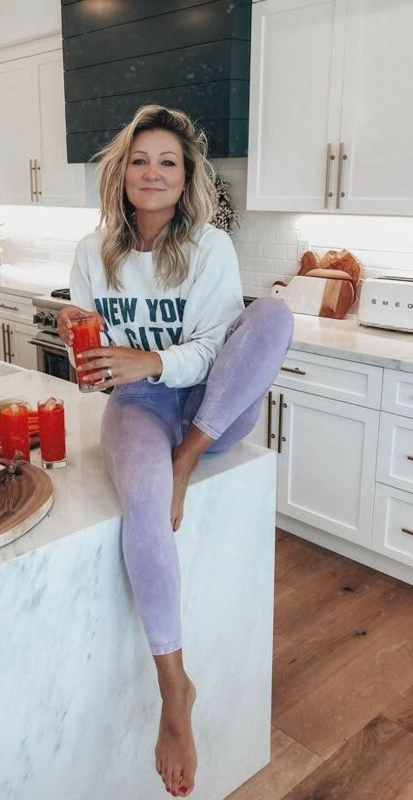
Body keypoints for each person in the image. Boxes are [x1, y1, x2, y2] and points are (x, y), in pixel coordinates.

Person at [57, 105, 293, 798]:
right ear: (121, 173)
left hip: (211, 407)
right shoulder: (91, 251)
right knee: (144, 507)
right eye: (139, 160)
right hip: (139, 405)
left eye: (168, 161)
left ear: (186, 177)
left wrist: (152, 361)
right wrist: (84, 345)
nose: (152, 172)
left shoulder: (209, 247)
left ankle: (184, 460)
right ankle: (174, 687)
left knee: (273, 314)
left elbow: (219, 347)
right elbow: (96, 363)